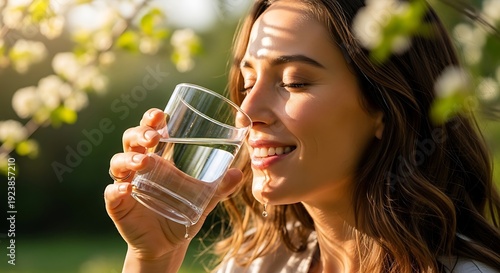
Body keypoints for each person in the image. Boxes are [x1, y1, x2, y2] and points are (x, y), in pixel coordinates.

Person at [105, 0, 500, 272]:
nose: (249, 113)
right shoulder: (257, 265)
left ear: (385, 106)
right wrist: (154, 258)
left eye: (293, 82)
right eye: (247, 81)